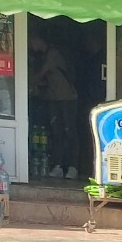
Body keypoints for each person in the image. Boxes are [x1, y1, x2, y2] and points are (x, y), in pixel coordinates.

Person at [29, 33, 79, 179]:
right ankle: (58, 166)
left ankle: (73, 167)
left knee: (70, 132)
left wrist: (29, 80)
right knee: (56, 132)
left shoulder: (52, 54)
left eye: (31, 41)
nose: (30, 46)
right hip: (54, 98)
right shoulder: (43, 56)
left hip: (67, 99)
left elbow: (40, 75)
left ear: (39, 39)